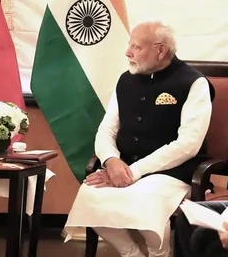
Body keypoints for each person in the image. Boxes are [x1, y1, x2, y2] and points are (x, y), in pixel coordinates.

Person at [63, 20, 215, 257]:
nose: (128, 52)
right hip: (123, 166)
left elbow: (188, 144)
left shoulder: (193, 83)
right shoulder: (126, 80)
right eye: (129, 45)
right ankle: (131, 253)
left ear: (160, 50)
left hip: (173, 172)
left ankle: (159, 253)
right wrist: (111, 161)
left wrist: (133, 172)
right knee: (90, 195)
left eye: (136, 47)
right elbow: (106, 130)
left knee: (145, 198)